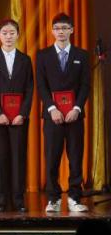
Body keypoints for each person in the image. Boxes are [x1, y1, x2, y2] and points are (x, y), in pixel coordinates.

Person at [36, 12, 91, 213]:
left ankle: (75, 197)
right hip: (53, 116)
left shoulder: (82, 55)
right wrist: (51, 108)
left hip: (75, 116)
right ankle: (53, 198)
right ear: (52, 31)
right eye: (57, 28)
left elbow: (85, 85)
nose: (61, 32)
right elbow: (41, 85)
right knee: (52, 157)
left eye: (65, 28)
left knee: (75, 157)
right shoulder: (42, 55)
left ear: (72, 30)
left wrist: (77, 108)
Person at [0, 18, 33, 212]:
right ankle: (1, 200)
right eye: (5, 33)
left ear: (18, 35)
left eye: (12, 33)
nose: (8, 36)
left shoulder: (25, 60)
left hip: (19, 118)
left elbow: (29, 89)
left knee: (18, 157)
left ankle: (19, 200)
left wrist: (23, 113)